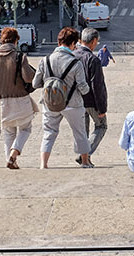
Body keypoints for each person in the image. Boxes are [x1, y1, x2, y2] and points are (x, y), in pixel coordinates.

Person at [32, 27, 92, 169]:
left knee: (49, 132)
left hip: (50, 102)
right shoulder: (75, 63)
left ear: (59, 42)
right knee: (80, 132)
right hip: (72, 103)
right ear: (73, 44)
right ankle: (84, 162)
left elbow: (35, 83)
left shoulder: (45, 60)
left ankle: (44, 164)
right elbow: (83, 87)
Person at [0, 27, 38, 170]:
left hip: (1, 102)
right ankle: (15, 151)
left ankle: (9, 160)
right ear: (16, 40)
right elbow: (28, 77)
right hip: (20, 98)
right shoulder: (19, 56)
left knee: (8, 131)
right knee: (26, 128)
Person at [73, 28, 108, 167]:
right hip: (91, 101)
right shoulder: (93, 60)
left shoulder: (72, 56)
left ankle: (83, 156)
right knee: (101, 126)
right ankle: (85, 155)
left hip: (76, 100)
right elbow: (97, 86)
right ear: (93, 41)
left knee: (83, 131)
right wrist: (102, 108)